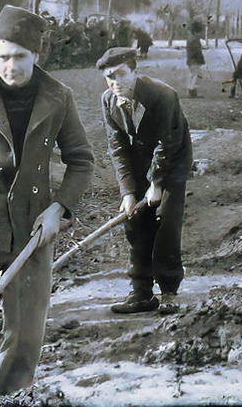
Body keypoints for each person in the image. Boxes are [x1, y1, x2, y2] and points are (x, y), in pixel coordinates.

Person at [0, 5, 94, 397]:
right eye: (4, 56)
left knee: (26, 334)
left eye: (21, 57)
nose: (12, 66)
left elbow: (81, 160)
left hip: (33, 231)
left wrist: (59, 208)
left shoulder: (59, 97)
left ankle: (8, 398)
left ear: (36, 56)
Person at [97, 47, 192, 316]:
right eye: (108, 77)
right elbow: (116, 148)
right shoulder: (108, 101)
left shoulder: (162, 95)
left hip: (172, 163)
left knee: (165, 222)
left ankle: (170, 291)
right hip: (140, 162)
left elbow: (168, 143)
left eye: (120, 75)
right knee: (135, 221)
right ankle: (141, 292)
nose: (114, 83)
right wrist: (128, 191)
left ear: (135, 72)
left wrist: (157, 183)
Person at [185, 25, 206, 98]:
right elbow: (197, 52)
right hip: (194, 60)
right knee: (196, 75)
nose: (200, 34)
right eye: (199, 33)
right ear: (196, 33)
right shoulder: (195, 40)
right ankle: (192, 90)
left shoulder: (190, 40)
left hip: (190, 60)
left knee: (192, 75)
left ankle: (190, 90)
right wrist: (201, 61)